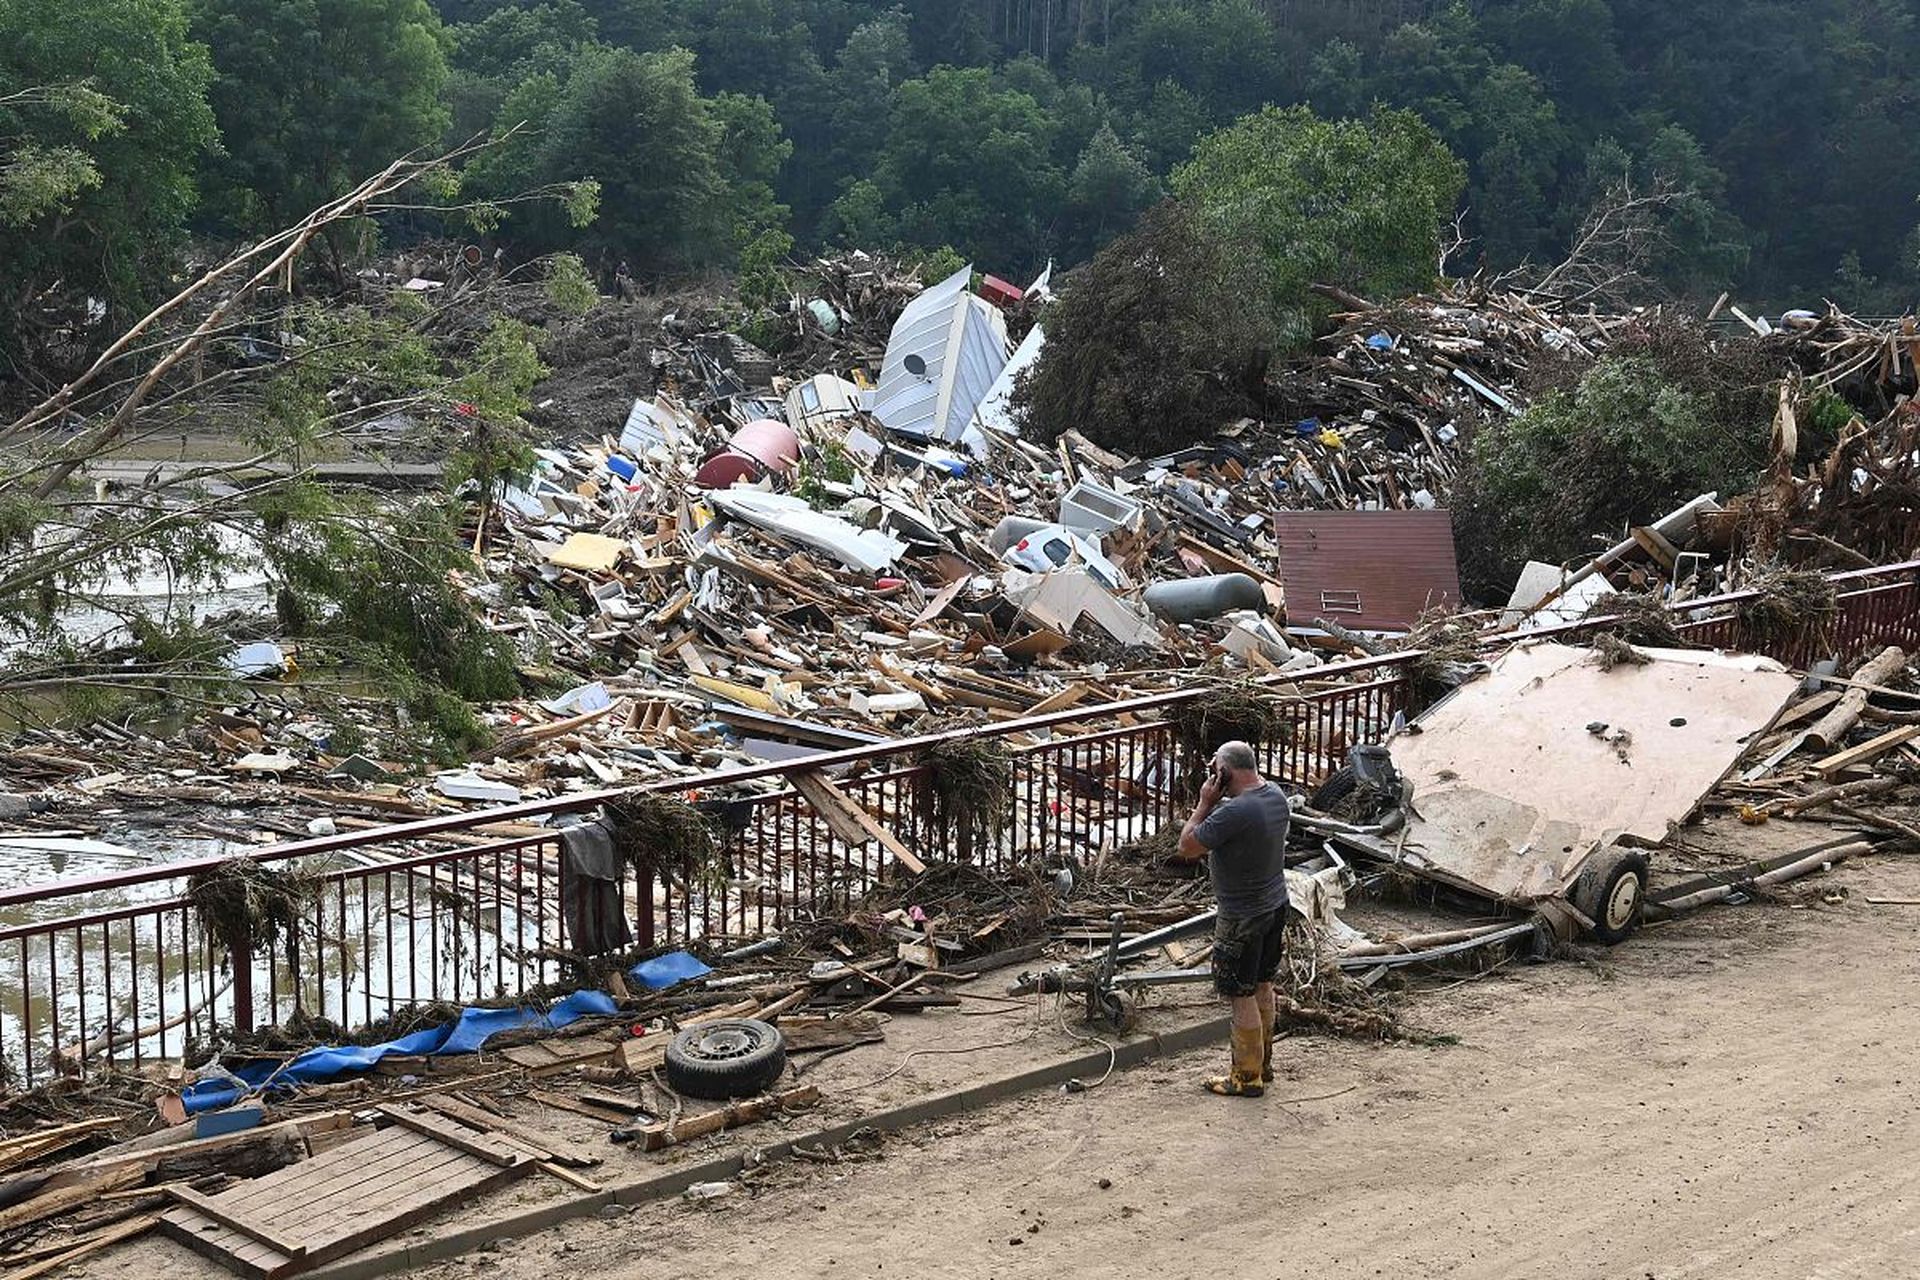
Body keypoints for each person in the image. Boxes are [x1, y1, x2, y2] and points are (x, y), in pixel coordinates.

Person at [1176, 739, 1291, 1097]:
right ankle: (1262, 1064)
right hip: (1275, 904)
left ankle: (1245, 1077)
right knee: (1262, 984)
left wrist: (1204, 803)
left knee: (1239, 994)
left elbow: (1188, 847)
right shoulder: (1275, 796)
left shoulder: (1233, 812)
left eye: (1214, 768)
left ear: (1224, 772)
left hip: (1242, 915)